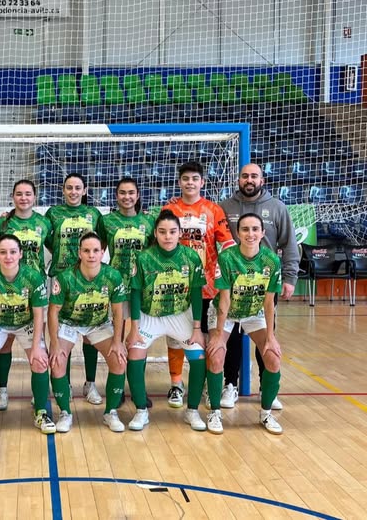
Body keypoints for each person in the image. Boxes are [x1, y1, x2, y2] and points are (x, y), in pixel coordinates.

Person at [218, 163, 299, 410]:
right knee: (231, 338)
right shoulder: (225, 207)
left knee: (265, 337)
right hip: (234, 283)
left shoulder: (277, 207)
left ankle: (266, 387)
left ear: (262, 180)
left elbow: (289, 244)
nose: (249, 180)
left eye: (254, 176)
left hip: (265, 284)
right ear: (238, 180)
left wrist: (290, 278)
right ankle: (230, 384)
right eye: (245, 176)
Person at [125, 210, 210, 432]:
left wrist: (197, 328)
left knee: (198, 356)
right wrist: (134, 328)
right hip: (149, 316)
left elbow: (196, 293)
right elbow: (135, 293)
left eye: (172, 232)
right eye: (162, 232)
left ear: (180, 233)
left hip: (180, 314)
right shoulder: (143, 258)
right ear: (155, 233)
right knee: (134, 353)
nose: (167, 236)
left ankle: (192, 411)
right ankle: (141, 410)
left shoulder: (191, 257)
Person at [163, 161, 235, 409]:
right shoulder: (170, 209)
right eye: (185, 179)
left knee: (204, 337)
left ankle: (205, 383)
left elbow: (227, 244)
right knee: (175, 337)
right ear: (179, 182)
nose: (190, 183)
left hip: (207, 286)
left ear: (202, 182)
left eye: (195, 178)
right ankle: (176, 384)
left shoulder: (214, 210)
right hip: (176, 286)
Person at [0, 234, 55, 436]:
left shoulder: (33, 277)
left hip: (26, 324)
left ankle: (41, 413)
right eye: (3, 252)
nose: (8, 257)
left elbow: (39, 314)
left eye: (13, 252)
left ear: (20, 254)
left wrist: (36, 347)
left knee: (40, 361)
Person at [205, 213, 284, 435]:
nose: (250, 234)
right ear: (238, 233)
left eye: (255, 229)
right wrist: (218, 336)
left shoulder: (271, 261)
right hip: (226, 313)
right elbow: (224, 300)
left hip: (254, 313)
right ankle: (214, 412)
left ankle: (266, 413)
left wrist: (270, 337)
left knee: (273, 357)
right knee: (216, 354)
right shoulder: (227, 258)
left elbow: (269, 302)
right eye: (245, 229)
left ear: (262, 233)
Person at [48, 232, 127, 433]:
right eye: (86, 250)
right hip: (68, 322)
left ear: (102, 253)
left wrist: (118, 342)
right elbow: (53, 311)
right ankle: (65, 413)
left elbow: (118, 311)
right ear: (79, 253)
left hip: (98, 323)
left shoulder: (113, 276)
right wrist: (55, 344)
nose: (91, 255)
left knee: (119, 361)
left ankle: (110, 412)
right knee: (57, 362)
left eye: (95, 250)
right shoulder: (65, 277)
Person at [0, 180, 53, 411]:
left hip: (35, 288)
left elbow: (54, 247)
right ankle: (2, 390)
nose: (23, 198)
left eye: (28, 194)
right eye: (19, 194)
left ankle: (39, 392)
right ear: (13, 197)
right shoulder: (3, 223)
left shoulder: (44, 223)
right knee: (5, 342)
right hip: (7, 288)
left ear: (35, 197)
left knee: (38, 339)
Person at [46, 173, 104, 405]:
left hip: (88, 277)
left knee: (90, 333)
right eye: (69, 187)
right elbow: (46, 238)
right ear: (63, 190)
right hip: (62, 276)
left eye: (77, 188)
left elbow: (101, 242)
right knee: (63, 332)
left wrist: (90, 261)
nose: (73, 192)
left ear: (85, 190)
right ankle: (66, 384)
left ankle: (90, 384)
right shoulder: (53, 213)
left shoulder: (94, 214)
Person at [97, 177, 155, 407]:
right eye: (122, 192)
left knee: (141, 338)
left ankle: (139, 388)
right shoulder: (106, 221)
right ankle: (118, 387)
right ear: (116, 195)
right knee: (117, 339)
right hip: (116, 288)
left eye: (131, 193)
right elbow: (97, 250)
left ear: (138, 195)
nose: (127, 197)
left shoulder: (149, 221)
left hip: (142, 288)